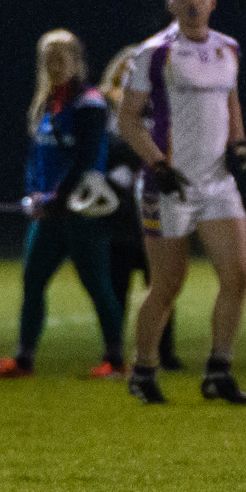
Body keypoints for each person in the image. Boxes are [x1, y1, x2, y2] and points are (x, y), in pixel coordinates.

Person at [117, 0, 246, 405]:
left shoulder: (228, 48)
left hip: (216, 183)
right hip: (170, 185)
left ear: (213, 0)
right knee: (168, 285)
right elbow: (127, 120)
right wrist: (158, 165)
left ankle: (219, 370)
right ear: (171, 4)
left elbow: (230, 99)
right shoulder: (154, 53)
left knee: (237, 275)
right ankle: (142, 370)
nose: (194, 1)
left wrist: (237, 144)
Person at [0, 30, 126, 378]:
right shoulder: (48, 103)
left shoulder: (90, 104)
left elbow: (85, 158)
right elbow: (37, 158)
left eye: (62, 58)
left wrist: (56, 198)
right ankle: (24, 359)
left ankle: (117, 360)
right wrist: (33, 194)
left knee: (97, 284)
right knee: (32, 281)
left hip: (81, 212)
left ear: (76, 61)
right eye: (49, 59)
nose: (55, 65)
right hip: (48, 214)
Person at [98, 47, 181, 370]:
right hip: (118, 212)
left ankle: (165, 352)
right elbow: (108, 145)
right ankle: (115, 352)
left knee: (162, 282)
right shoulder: (106, 104)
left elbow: (163, 145)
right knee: (117, 283)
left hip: (153, 204)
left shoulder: (163, 103)